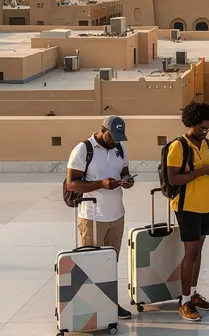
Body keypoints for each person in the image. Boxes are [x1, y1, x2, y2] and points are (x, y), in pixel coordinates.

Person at [65, 115, 135, 320]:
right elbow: (71, 184)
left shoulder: (120, 148)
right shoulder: (83, 149)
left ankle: (110, 305)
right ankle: (90, 311)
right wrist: (100, 184)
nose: (115, 141)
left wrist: (127, 180)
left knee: (110, 264)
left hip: (116, 215)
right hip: (92, 217)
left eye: (119, 137)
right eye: (113, 136)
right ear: (103, 130)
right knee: (90, 265)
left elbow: (124, 171)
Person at [166, 100, 209, 322]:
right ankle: (184, 301)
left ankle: (192, 293)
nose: (205, 131)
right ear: (191, 123)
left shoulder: (207, 144)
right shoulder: (178, 147)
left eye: (208, 128)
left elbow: (206, 170)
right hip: (187, 206)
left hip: (206, 204)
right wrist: (203, 172)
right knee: (191, 252)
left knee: (198, 251)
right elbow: (173, 178)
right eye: (202, 127)